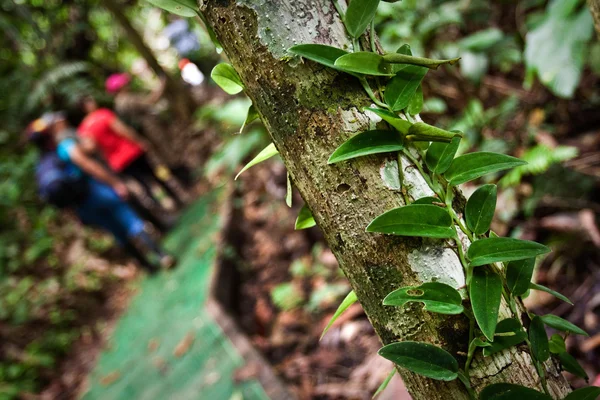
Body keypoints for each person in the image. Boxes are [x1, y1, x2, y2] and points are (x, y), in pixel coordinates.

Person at [27, 112, 175, 272]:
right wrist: (115, 183)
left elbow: (56, 200)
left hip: (83, 208)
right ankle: (161, 256)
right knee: (131, 221)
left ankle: (147, 267)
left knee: (117, 233)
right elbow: (87, 165)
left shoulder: (41, 169)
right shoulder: (63, 148)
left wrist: (77, 217)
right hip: (95, 192)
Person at [78, 95, 185, 211]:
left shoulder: (84, 129)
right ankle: (176, 199)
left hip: (117, 161)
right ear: (87, 105)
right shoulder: (103, 114)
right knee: (154, 175)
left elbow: (91, 148)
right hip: (131, 152)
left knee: (143, 184)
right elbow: (122, 130)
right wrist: (139, 140)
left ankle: (161, 210)